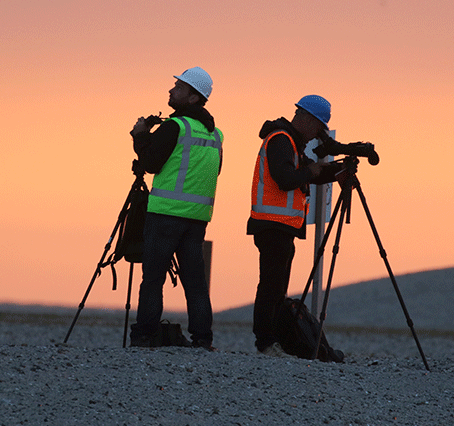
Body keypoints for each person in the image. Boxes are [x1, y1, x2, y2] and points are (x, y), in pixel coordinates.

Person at [129, 66, 224, 350]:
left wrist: (140, 136)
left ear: (194, 98)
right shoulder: (216, 134)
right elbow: (213, 172)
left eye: (179, 88)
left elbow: (151, 164)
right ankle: (203, 339)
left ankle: (144, 336)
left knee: (153, 279)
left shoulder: (176, 126)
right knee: (195, 282)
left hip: (165, 214)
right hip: (197, 219)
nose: (171, 91)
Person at [247, 95, 349, 356]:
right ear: (307, 119)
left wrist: (336, 172)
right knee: (271, 284)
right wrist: (313, 171)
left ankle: (274, 340)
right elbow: (285, 178)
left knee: (277, 285)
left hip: (281, 224)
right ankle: (266, 342)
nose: (319, 133)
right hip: (272, 224)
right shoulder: (281, 140)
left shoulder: (290, 142)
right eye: (319, 127)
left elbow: (304, 174)